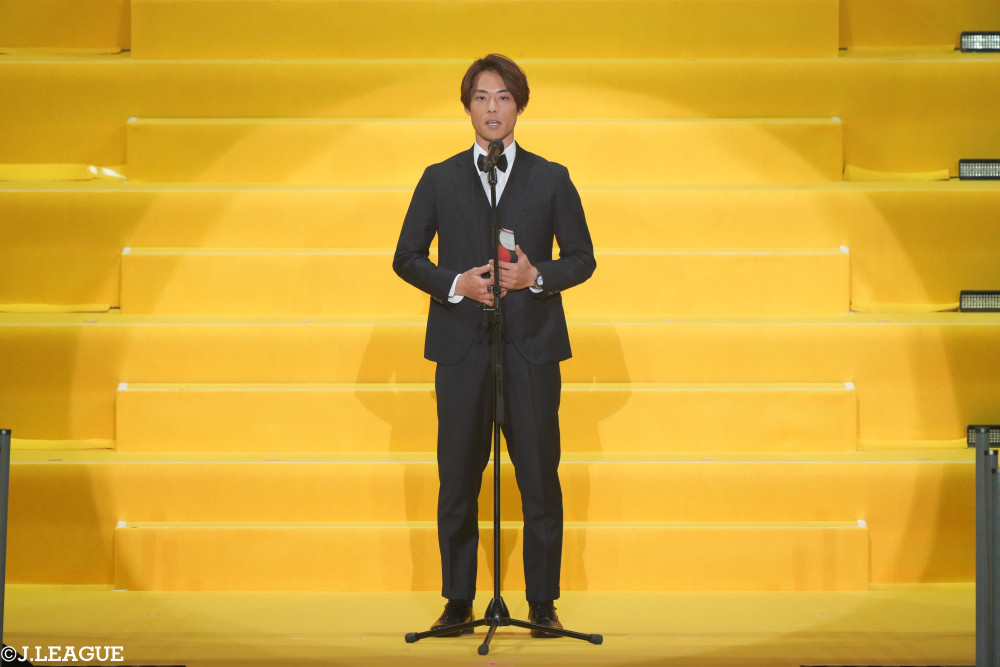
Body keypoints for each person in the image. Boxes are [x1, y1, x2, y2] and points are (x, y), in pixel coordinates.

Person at [393, 54, 596, 637]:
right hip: (462, 352)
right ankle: (458, 601)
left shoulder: (551, 177)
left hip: (531, 351)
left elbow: (582, 258)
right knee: (457, 478)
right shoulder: (439, 177)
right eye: (482, 97)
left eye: (504, 97)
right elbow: (406, 256)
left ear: (519, 107)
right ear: (467, 107)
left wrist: (536, 276)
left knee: (539, 480)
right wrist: (455, 284)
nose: (492, 108)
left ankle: (542, 603)